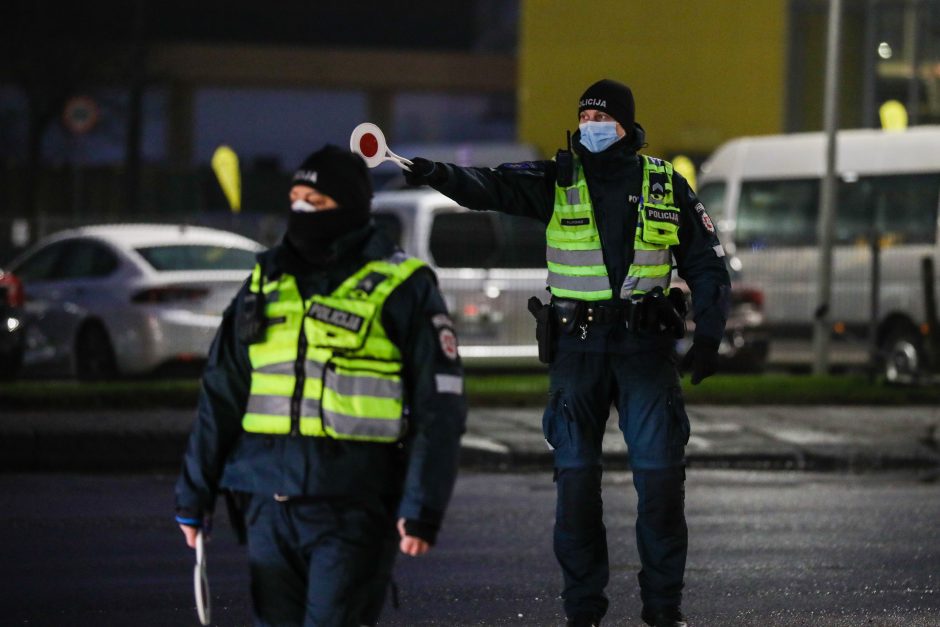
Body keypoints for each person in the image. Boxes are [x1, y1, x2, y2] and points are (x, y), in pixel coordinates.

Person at [403, 79, 730, 627]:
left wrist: (710, 335)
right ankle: (583, 612)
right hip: (578, 352)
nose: (591, 127)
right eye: (584, 117)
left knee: (661, 485)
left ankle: (663, 611)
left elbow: (707, 262)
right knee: (575, 486)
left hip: (644, 352)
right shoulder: (557, 178)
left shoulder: (664, 182)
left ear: (626, 125)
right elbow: (488, 187)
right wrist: (437, 172)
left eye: (601, 118)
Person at [175, 144, 467, 627]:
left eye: (317, 200)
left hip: (354, 504)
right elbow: (221, 392)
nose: (302, 209)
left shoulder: (403, 285)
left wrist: (423, 505)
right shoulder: (264, 282)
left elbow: (440, 405)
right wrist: (194, 492)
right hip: (266, 504)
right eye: (296, 197)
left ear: (351, 209)